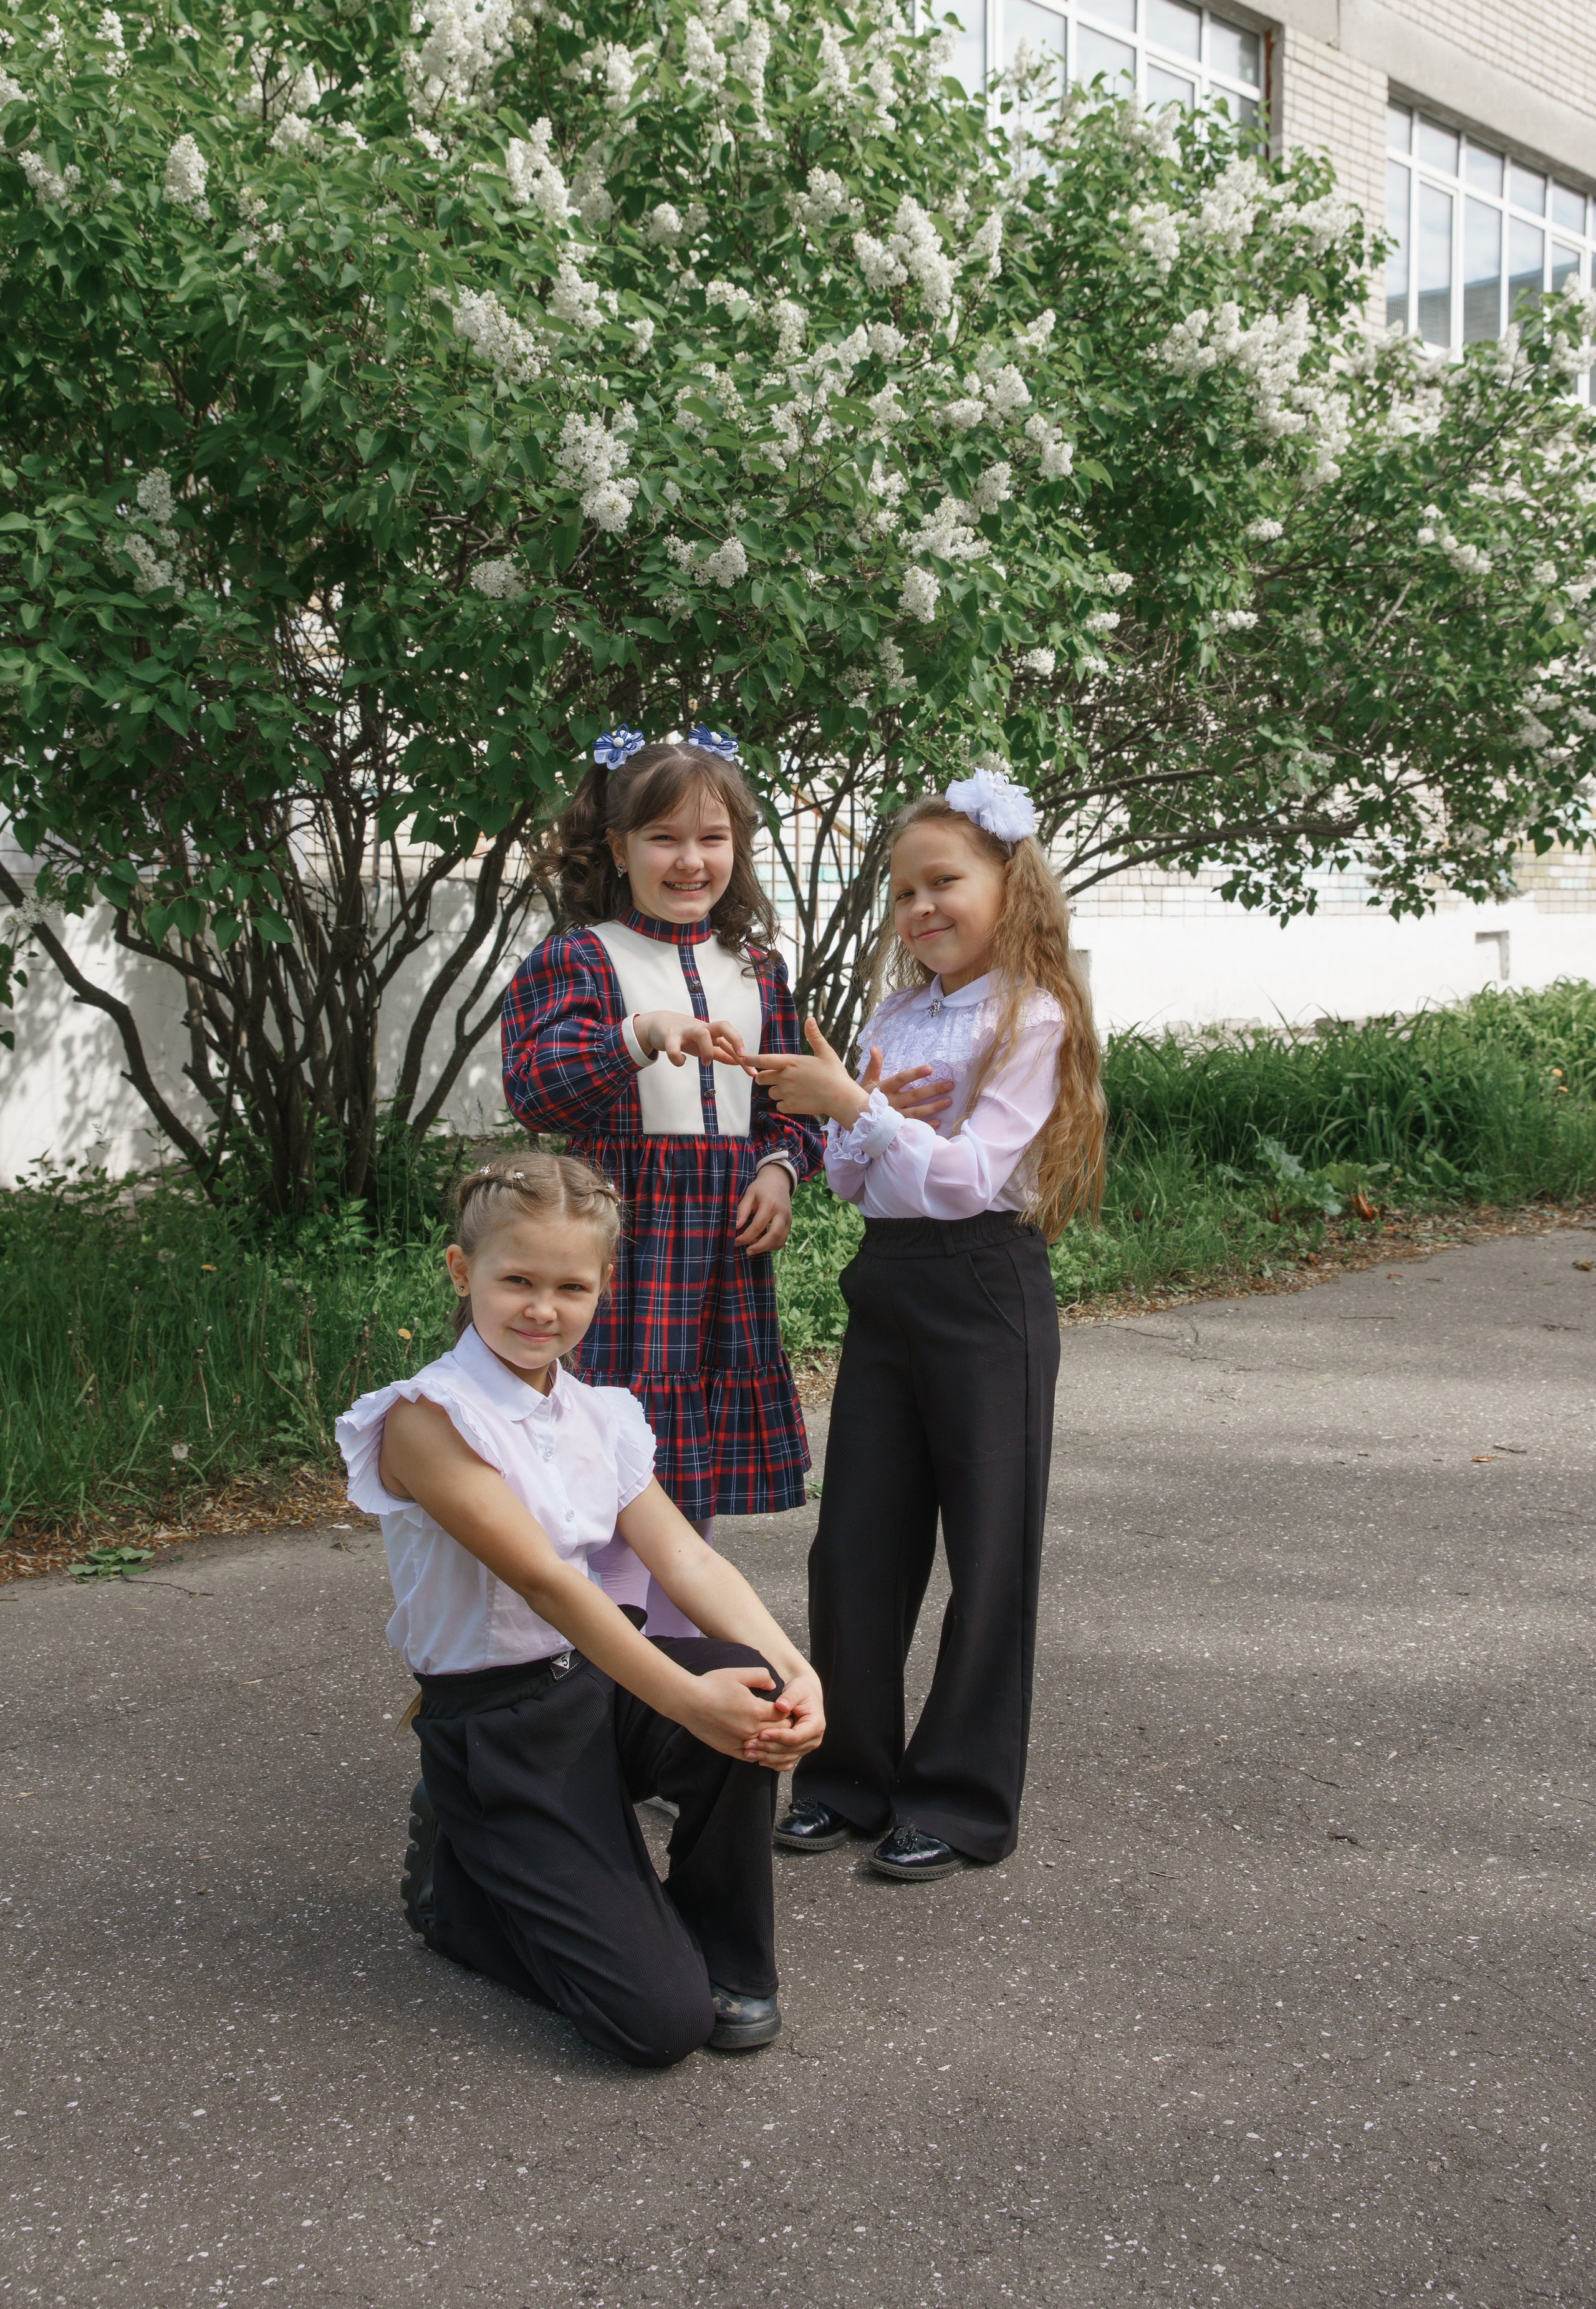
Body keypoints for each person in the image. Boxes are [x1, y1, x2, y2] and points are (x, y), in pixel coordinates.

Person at [335, 1153, 825, 2067]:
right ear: (460, 1272)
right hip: (502, 1725)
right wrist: (688, 1701)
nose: (540, 1309)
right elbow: (549, 1586)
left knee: (750, 1689)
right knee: (658, 2028)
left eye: (569, 1286)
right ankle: (461, 1892)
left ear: (605, 1287)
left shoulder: (601, 1413)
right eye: (515, 1280)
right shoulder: (428, 1419)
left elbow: (683, 1557)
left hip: (598, 1682)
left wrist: (796, 1672)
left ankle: (719, 1945)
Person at [748, 767, 1105, 1882]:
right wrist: (861, 1118)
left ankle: (958, 1798)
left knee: (988, 1550)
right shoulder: (900, 1011)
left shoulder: (1032, 1016)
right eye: (904, 893)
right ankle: (848, 1778)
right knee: (858, 1539)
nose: (920, 910)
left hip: (985, 1285)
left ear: (1012, 882)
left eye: (944, 881)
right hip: (890, 1281)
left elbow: (968, 1180)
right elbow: (860, 1183)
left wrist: (857, 1107)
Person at [500, 727, 823, 1636]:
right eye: (664, 838)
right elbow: (536, 1086)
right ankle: (581, 1691)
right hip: (618, 1247)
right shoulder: (581, 959)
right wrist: (639, 1035)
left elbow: (795, 1099)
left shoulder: (760, 970)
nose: (690, 860)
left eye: (712, 839)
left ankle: (672, 1695)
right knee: (597, 1472)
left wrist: (779, 1166)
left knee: (686, 1480)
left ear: (739, 848)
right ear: (617, 848)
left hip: (718, 1253)